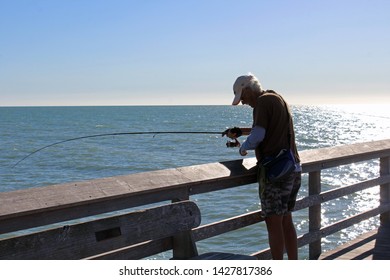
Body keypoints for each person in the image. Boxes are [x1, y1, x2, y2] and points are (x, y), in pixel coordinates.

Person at [225, 73, 301, 260]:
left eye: (242, 97)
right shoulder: (276, 98)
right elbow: (269, 128)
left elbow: (258, 136)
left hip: (276, 173)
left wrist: (243, 148)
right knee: (286, 221)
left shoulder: (262, 103)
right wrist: (241, 132)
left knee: (273, 223)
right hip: (293, 168)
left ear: (249, 89)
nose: (243, 102)